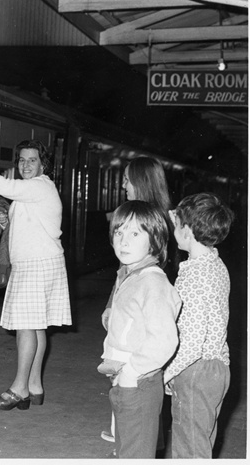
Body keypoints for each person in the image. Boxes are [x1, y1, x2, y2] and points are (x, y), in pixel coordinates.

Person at [0, 140, 71, 411]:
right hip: (42, 261)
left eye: (32, 160)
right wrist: (10, 223)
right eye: (21, 160)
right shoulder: (37, 189)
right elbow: (34, 223)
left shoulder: (38, 185)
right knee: (37, 326)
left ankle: (19, 388)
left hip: (35, 264)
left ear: (43, 164)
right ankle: (34, 386)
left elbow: (4, 186)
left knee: (25, 326)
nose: (25, 165)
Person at [101, 155, 175, 445]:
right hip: (130, 354)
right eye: (119, 233)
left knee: (141, 424)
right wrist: (112, 304)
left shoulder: (154, 224)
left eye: (127, 179)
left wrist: (133, 369)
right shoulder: (139, 220)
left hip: (141, 359)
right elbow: (124, 275)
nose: (123, 185)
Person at [164, 193, 234, 458]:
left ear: (187, 230)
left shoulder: (193, 275)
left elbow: (191, 343)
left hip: (195, 371)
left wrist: (167, 373)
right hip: (218, 369)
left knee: (190, 451)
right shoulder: (216, 263)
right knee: (201, 443)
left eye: (176, 224)